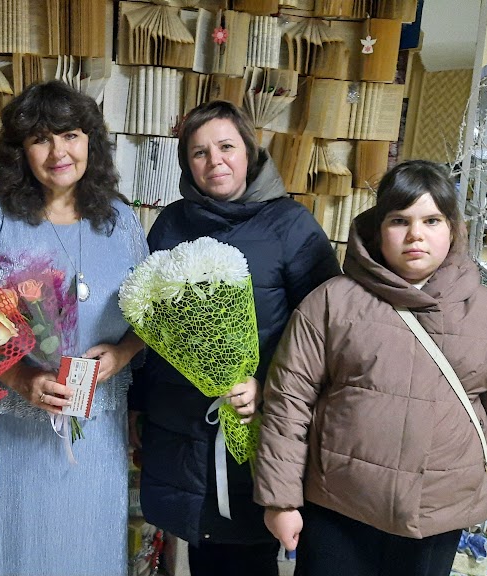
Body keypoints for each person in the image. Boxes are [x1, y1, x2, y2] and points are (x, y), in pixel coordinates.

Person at [255, 160, 487, 576]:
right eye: (399, 220)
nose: (415, 235)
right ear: (378, 228)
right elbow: (287, 404)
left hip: (436, 517)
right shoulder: (331, 304)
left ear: (453, 229)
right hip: (338, 508)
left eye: (431, 220)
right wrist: (280, 500)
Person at [129, 100, 341, 576]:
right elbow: (147, 324)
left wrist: (267, 384)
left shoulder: (291, 225)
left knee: (249, 549)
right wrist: (138, 404)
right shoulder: (171, 223)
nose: (215, 161)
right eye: (199, 152)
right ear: (186, 163)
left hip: (256, 420)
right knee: (203, 546)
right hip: (180, 421)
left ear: (249, 151)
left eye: (226, 147)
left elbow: (326, 331)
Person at [0, 80, 147, 576]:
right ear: (20, 151)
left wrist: (122, 353)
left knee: (86, 552)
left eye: (70, 135)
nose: (59, 152)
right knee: (15, 551)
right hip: (10, 430)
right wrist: (20, 378)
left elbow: (151, 318)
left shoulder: (121, 221)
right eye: (41, 139)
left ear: (90, 142)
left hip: (96, 431)